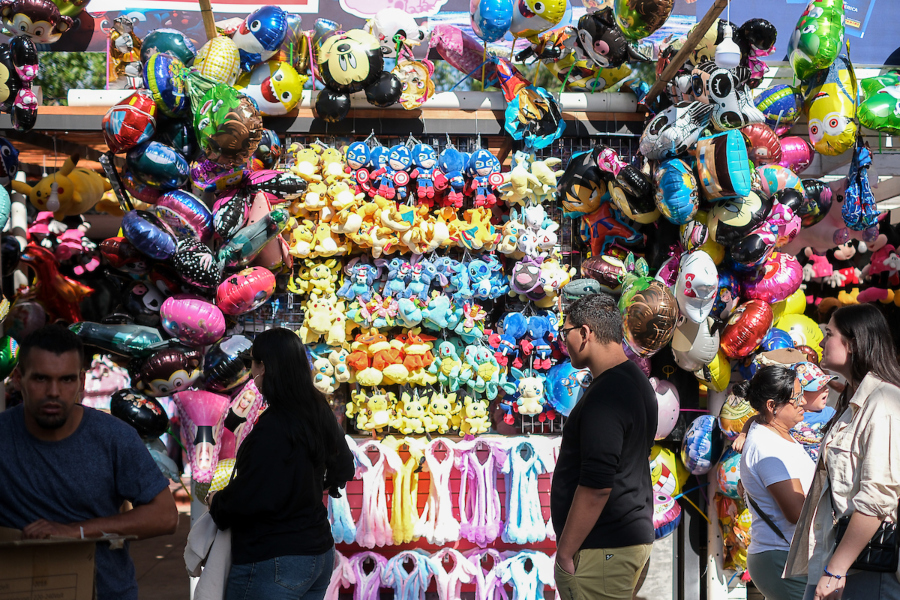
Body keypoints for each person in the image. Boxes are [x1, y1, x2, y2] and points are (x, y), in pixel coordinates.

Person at [0, 324, 178, 600]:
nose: (54, 392)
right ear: (18, 378)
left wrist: (75, 531)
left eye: (67, 379)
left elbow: (165, 516)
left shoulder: (114, 438)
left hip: (105, 592)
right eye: (41, 379)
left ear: (82, 383)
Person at [209, 328, 355, 600]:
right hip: (317, 553)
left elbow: (251, 496)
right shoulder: (316, 408)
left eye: (251, 363)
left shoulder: (275, 426)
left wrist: (218, 502)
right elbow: (344, 466)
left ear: (264, 366)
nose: (250, 373)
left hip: (275, 559)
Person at [785, 304, 900, 600]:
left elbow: (878, 496)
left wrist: (836, 569)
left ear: (852, 343)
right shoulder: (853, 402)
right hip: (835, 560)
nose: (821, 342)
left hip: (865, 567)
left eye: (829, 334)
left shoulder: (884, 402)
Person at [551, 293, 657, 600]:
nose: (563, 342)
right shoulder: (633, 380)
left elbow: (597, 483)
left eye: (565, 333)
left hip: (603, 546)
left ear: (585, 334)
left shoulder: (608, 393)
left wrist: (566, 552)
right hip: (619, 540)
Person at [737, 365, 815, 600]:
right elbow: (796, 512)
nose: (803, 402)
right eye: (796, 398)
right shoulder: (767, 447)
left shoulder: (777, 433)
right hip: (782, 557)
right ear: (772, 406)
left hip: (789, 555)